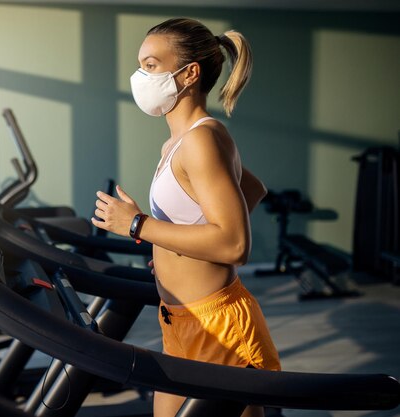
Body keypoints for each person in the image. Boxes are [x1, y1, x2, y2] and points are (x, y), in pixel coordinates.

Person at [91, 18, 280, 417]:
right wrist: (173, 250)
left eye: (152, 65)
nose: (142, 76)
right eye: (142, 65)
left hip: (219, 326)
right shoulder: (177, 143)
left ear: (190, 73)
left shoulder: (202, 139)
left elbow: (234, 244)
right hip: (180, 321)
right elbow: (253, 188)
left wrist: (138, 226)